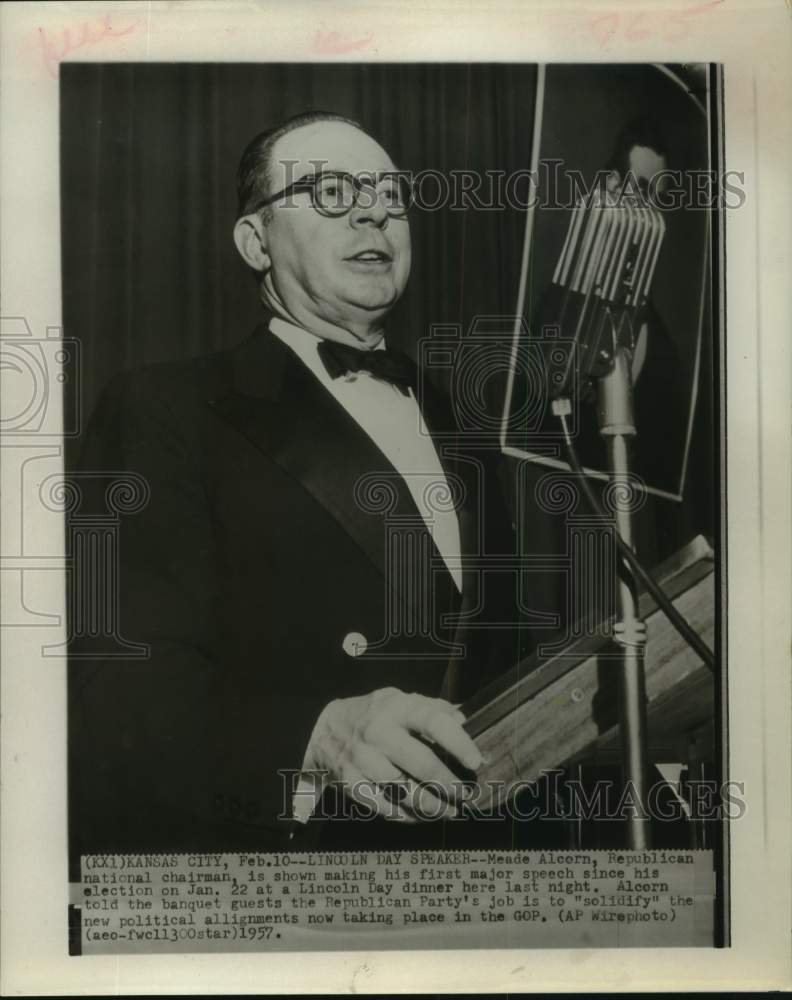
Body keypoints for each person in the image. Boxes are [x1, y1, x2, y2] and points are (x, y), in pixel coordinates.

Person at [68, 111, 544, 859]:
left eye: (391, 195)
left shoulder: (464, 422)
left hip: (476, 867)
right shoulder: (167, 408)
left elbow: (501, 657)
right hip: (283, 869)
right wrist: (314, 739)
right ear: (256, 242)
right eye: (329, 192)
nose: (372, 211)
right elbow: (120, 684)